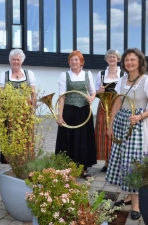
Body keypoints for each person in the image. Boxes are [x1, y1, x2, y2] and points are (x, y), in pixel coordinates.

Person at [106, 48, 148, 220]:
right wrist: (110, 124)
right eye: (127, 60)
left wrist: (139, 116)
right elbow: (116, 104)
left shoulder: (147, 81)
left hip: (138, 126)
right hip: (121, 123)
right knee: (122, 160)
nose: (129, 62)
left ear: (140, 62)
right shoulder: (121, 80)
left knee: (133, 163)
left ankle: (136, 204)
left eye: (133, 60)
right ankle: (128, 196)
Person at [55, 50, 97, 178]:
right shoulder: (64, 75)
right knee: (68, 139)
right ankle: (67, 169)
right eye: (72, 59)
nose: (74, 62)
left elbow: (93, 92)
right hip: (69, 110)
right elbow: (62, 96)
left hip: (84, 111)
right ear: (69, 62)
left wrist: (91, 98)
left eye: (76, 59)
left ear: (81, 61)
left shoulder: (87, 74)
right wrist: (60, 115)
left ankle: (83, 169)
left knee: (83, 140)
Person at [0, 49, 36, 164]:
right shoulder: (4, 75)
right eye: (13, 59)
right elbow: (1, 96)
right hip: (10, 111)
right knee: (12, 136)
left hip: (26, 110)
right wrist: (0, 113)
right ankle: (13, 161)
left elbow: (33, 93)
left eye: (18, 60)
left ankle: (25, 160)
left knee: (26, 135)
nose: (16, 62)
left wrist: (33, 108)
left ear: (22, 61)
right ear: (10, 61)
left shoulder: (29, 74)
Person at [95, 49, 124, 172]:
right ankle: (107, 162)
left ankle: (117, 162)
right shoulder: (101, 74)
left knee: (117, 132)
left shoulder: (123, 74)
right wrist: (99, 91)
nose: (112, 59)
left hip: (118, 106)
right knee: (104, 133)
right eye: (110, 57)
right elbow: (94, 93)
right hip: (103, 107)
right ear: (106, 59)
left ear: (118, 59)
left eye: (114, 57)